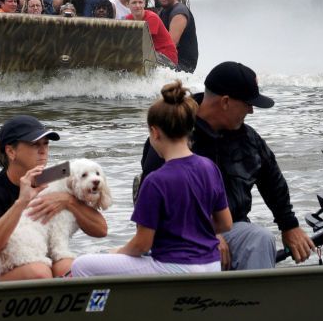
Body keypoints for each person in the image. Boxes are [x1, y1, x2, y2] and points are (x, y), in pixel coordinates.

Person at [141, 62, 316, 270]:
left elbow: (273, 181)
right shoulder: (174, 131)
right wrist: (207, 233)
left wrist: (289, 226)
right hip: (178, 233)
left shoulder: (249, 138)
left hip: (232, 229)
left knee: (260, 239)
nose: (251, 111)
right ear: (225, 102)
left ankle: (258, 300)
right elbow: (154, 198)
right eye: (248, 103)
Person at [71, 82, 230, 276]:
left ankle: (105, 307)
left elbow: (142, 244)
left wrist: (118, 253)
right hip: (211, 265)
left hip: (174, 268)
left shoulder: (156, 180)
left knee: (82, 265)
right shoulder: (209, 167)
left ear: (155, 133)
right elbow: (225, 224)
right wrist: (191, 231)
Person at [0, 115, 108, 283]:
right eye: (34, 144)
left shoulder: (56, 176)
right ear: (11, 151)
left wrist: (68, 201)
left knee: (74, 268)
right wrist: (21, 203)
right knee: (39, 272)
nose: (43, 150)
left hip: (44, 258)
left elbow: (101, 230)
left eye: (46, 144)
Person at [153, 0, 199, 73]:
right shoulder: (163, 11)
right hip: (170, 60)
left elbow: (171, 44)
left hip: (183, 65)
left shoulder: (179, 13)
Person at [126, 0, 178, 65]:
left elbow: (143, 42)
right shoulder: (128, 18)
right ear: (127, 4)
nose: (137, 6)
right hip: (151, 53)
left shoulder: (152, 17)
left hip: (167, 56)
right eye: (134, 3)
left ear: (144, 4)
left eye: (140, 2)